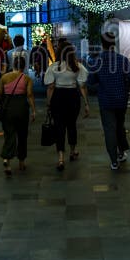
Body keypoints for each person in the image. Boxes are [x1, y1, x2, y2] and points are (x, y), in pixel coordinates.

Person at [87, 31, 130, 170]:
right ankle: (121, 152)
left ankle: (114, 161)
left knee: (109, 129)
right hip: (121, 99)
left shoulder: (98, 61)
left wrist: (101, 86)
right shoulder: (122, 59)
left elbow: (91, 81)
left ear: (102, 44)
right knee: (120, 125)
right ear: (113, 43)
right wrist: (125, 86)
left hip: (106, 101)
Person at [43, 39, 89, 170]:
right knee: (72, 125)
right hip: (72, 97)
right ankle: (73, 151)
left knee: (59, 127)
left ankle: (61, 158)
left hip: (58, 97)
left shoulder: (54, 67)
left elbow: (50, 87)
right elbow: (82, 86)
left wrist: (48, 103)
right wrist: (86, 103)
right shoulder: (77, 66)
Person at [0, 56, 36, 175]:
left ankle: (7, 161)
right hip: (22, 108)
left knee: (9, 134)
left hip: (8, 108)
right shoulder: (27, 79)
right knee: (22, 135)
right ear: (24, 66)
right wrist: (34, 111)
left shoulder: (4, 77)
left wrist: (3, 104)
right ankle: (21, 162)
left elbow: (0, 93)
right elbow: (29, 95)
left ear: (13, 65)